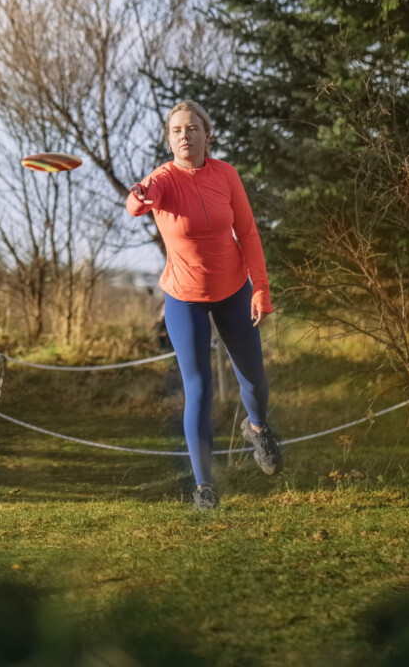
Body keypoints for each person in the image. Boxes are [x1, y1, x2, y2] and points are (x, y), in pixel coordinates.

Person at [126, 100, 282, 510]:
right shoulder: (161, 178)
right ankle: (204, 489)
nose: (184, 135)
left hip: (233, 290)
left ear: (206, 134)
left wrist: (260, 288)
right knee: (198, 390)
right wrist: (139, 198)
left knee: (254, 380)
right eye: (176, 129)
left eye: (192, 128)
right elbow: (137, 203)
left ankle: (258, 428)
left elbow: (247, 233)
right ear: (168, 138)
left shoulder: (226, 174)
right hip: (184, 297)